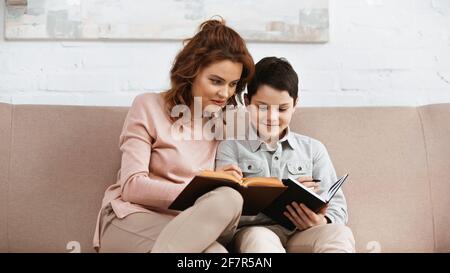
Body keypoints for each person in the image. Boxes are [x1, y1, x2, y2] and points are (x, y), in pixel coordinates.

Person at [93, 18, 254, 253]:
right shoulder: (148, 106)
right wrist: (202, 187)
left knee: (230, 198)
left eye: (233, 85)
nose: (224, 93)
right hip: (132, 217)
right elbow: (132, 187)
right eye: (216, 81)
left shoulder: (227, 121)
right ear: (191, 72)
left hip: (191, 224)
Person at [215, 57, 356, 253]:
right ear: (247, 102)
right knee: (260, 239)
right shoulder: (230, 148)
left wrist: (321, 220)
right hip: (254, 232)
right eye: (262, 107)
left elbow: (338, 208)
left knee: (340, 233)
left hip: (302, 233)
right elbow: (222, 212)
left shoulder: (313, 149)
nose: (272, 117)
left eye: (282, 109)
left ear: (295, 104)